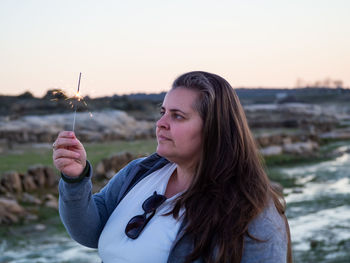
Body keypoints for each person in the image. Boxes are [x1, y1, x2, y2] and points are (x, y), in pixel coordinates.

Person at [53, 71, 292, 263]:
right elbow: (89, 231)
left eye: (177, 116)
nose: (160, 124)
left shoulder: (252, 211)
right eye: (162, 112)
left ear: (213, 128)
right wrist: (75, 179)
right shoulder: (141, 172)